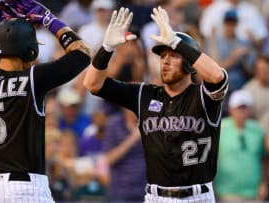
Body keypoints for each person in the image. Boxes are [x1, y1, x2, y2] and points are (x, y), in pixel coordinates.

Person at [83, 6, 229, 203]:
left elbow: (217, 76)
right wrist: (106, 48)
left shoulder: (202, 96)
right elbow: (92, 83)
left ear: (188, 63)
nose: (165, 61)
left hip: (198, 197)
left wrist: (177, 43)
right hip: (156, 197)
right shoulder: (144, 94)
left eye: (173, 55)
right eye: (163, 56)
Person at [0, 0, 90, 202]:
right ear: (30, 50)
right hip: (25, 189)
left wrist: (7, 26)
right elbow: (82, 54)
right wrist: (49, 19)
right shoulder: (32, 79)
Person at [214, 90, 267, 202]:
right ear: (231, 109)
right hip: (226, 192)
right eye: (238, 108)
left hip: (254, 193)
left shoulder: (258, 130)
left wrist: (264, 183)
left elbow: (264, 159)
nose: (242, 112)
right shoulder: (220, 129)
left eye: (245, 108)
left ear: (249, 110)